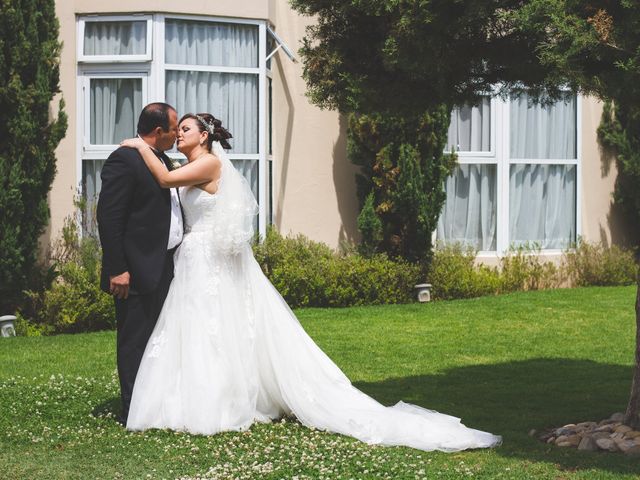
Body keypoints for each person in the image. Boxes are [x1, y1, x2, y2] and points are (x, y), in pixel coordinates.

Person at [120, 113, 501, 451]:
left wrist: (140, 147)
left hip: (206, 259)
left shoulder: (209, 165)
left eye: (185, 129)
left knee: (213, 326)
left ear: (204, 136)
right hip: (194, 257)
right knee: (196, 327)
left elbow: (167, 178)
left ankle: (216, 402)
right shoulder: (197, 165)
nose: (178, 134)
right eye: (176, 129)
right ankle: (188, 397)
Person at [97, 103, 182, 424]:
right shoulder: (124, 159)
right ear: (159, 132)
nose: (177, 134)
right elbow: (109, 217)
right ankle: (133, 410)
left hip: (165, 266)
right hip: (135, 269)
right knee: (134, 340)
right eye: (174, 129)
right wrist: (118, 268)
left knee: (158, 338)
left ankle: (156, 402)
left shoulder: (162, 159)